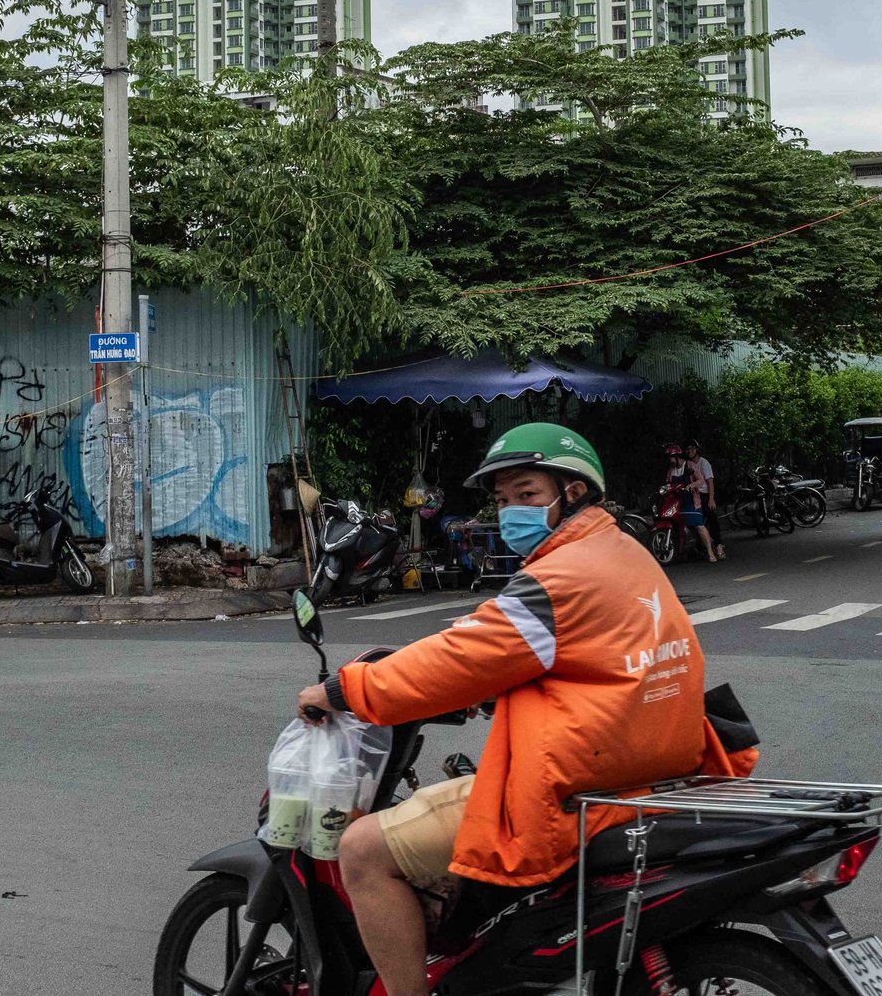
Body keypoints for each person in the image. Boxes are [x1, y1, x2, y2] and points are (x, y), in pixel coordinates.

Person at [295, 424, 739, 996]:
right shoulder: (625, 553)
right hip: (648, 771)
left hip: (578, 789)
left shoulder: (557, 579)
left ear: (573, 492)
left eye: (527, 495)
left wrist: (340, 691)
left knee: (361, 849)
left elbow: (459, 658)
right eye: (503, 500)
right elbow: (585, 656)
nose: (511, 512)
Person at [665, 443, 722, 563]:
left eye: (671, 457)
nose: (670, 460)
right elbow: (668, 483)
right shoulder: (671, 470)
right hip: (677, 502)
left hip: (692, 500)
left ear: (677, 456)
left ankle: (711, 552)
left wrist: (692, 485)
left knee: (699, 525)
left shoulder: (691, 465)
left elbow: (701, 480)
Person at [684, 439, 722, 549]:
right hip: (693, 495)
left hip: (704, 494)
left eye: (692, 448)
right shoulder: (687, 464)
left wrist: (711, 498)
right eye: (687, 449)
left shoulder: (704, 463)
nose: (689, 451)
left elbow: (710, 481)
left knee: (712, 517)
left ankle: (719, 544)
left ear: (696, 449)